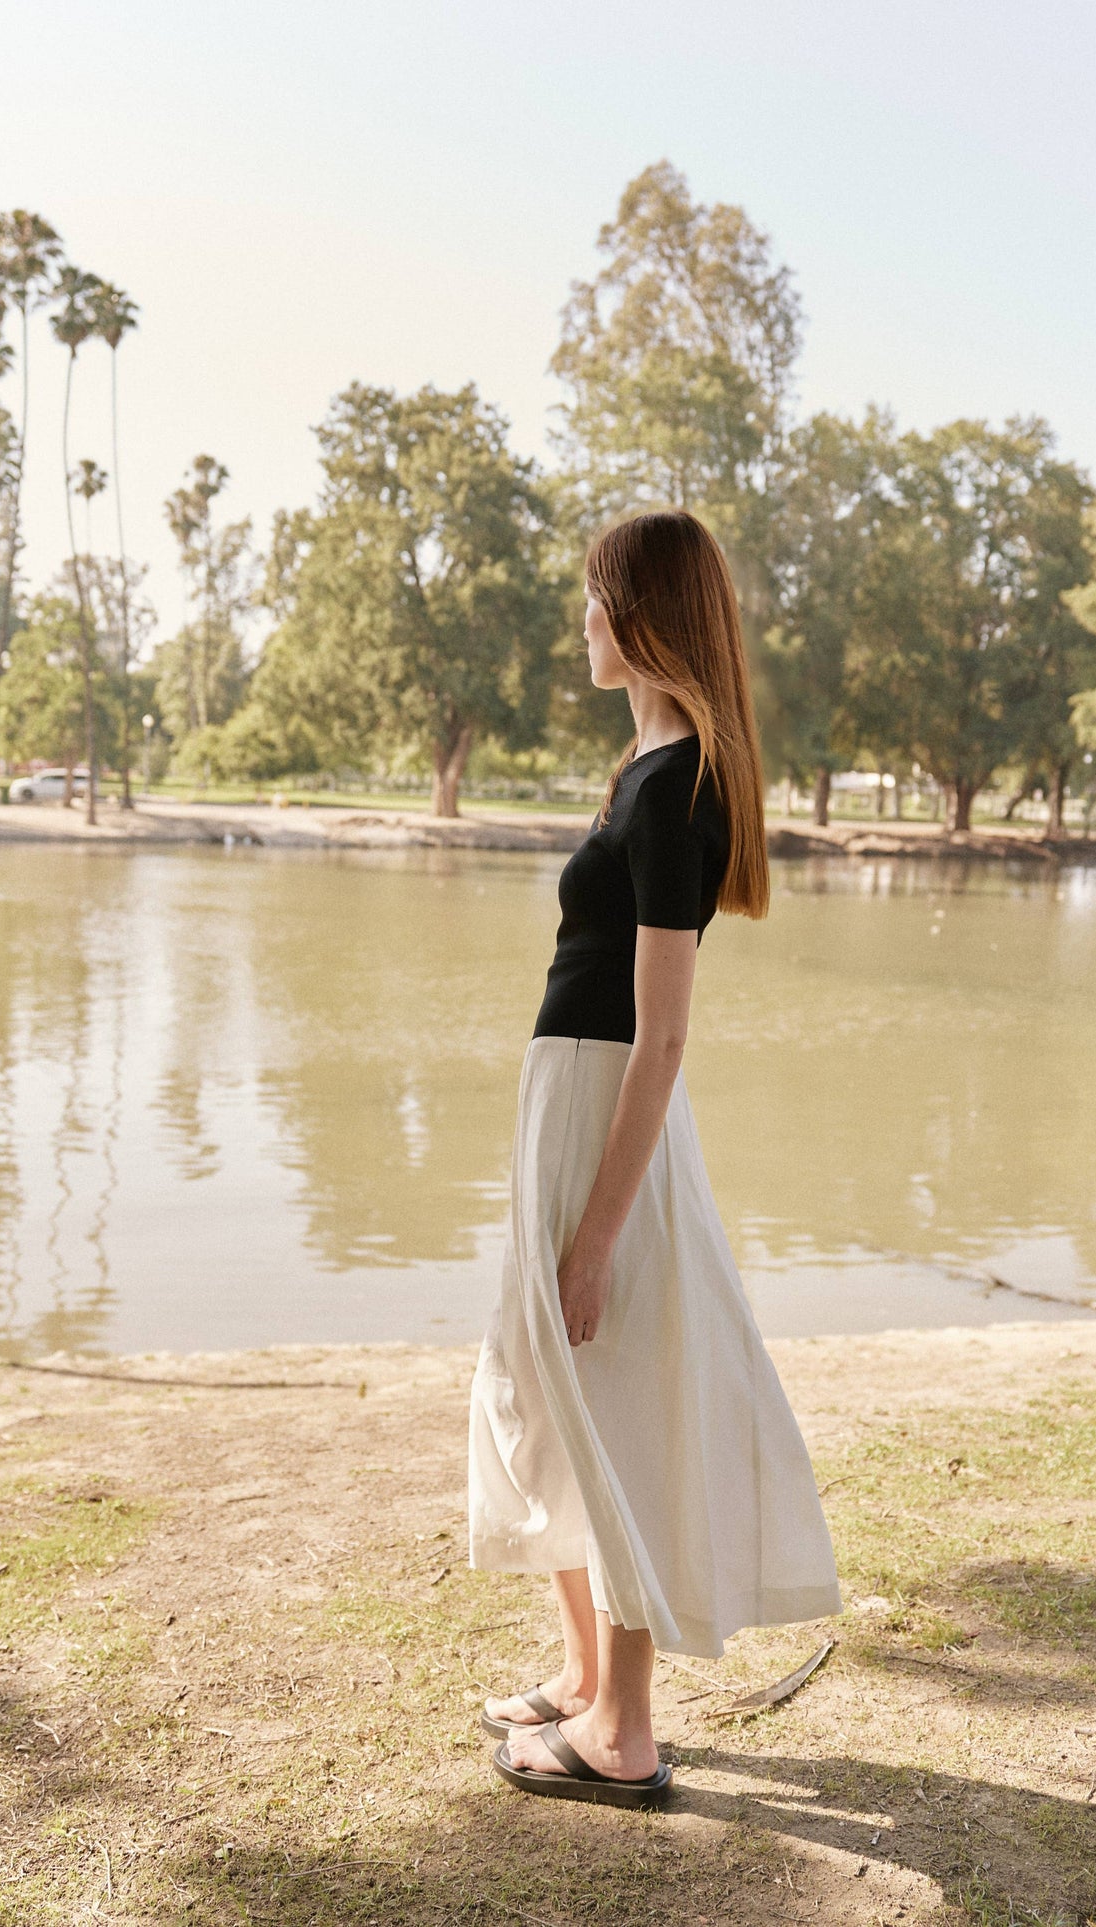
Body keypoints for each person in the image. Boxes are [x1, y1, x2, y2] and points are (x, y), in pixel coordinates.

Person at [467, 510, 841, 1811]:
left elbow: (663, 1033)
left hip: (605, 1110)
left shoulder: (676, 787)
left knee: (611, 1399)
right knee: (536, 1388)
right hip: (562, 1102)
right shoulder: (646, 765)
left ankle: (621, 1735)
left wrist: (596, 1233)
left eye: (590, 600)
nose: (578, 621)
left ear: (638, 620)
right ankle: (582, 1678)